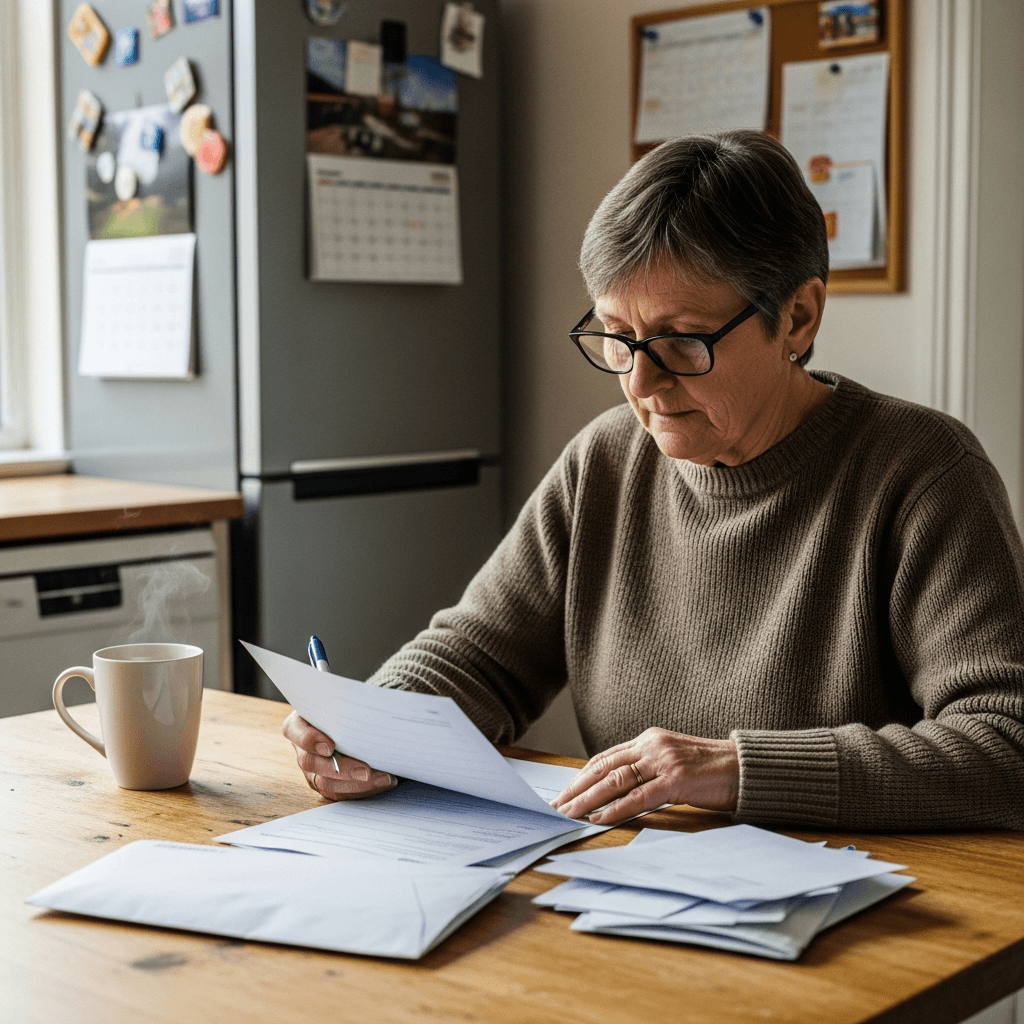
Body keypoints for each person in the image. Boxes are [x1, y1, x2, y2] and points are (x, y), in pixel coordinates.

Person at [284, 130, 1024, 830]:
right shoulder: (605, 460)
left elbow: (1007, 746)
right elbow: (482, 653)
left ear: (798, 317)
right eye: (616, 337)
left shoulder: (922, 473)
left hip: (865, 915)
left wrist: (738, 769)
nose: (642, 383)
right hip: (629, 890)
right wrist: (376, 724)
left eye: (680, 340)